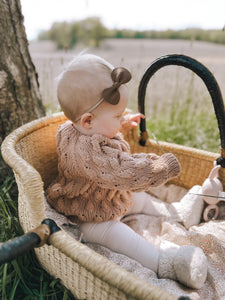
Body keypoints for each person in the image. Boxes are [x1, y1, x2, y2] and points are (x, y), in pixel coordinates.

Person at [46, 54, 207, 289]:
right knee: (120, 235)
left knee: (138, 199)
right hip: (90, 216)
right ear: (88, 120)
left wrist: (120, 121)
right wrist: (161, 166)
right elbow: (126, 171)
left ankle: (176, 213)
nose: (121, 119)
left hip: (108, 196)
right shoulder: (88, 153)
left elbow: (103, 123)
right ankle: (165, 262)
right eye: (117, 115)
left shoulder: (82, 127)